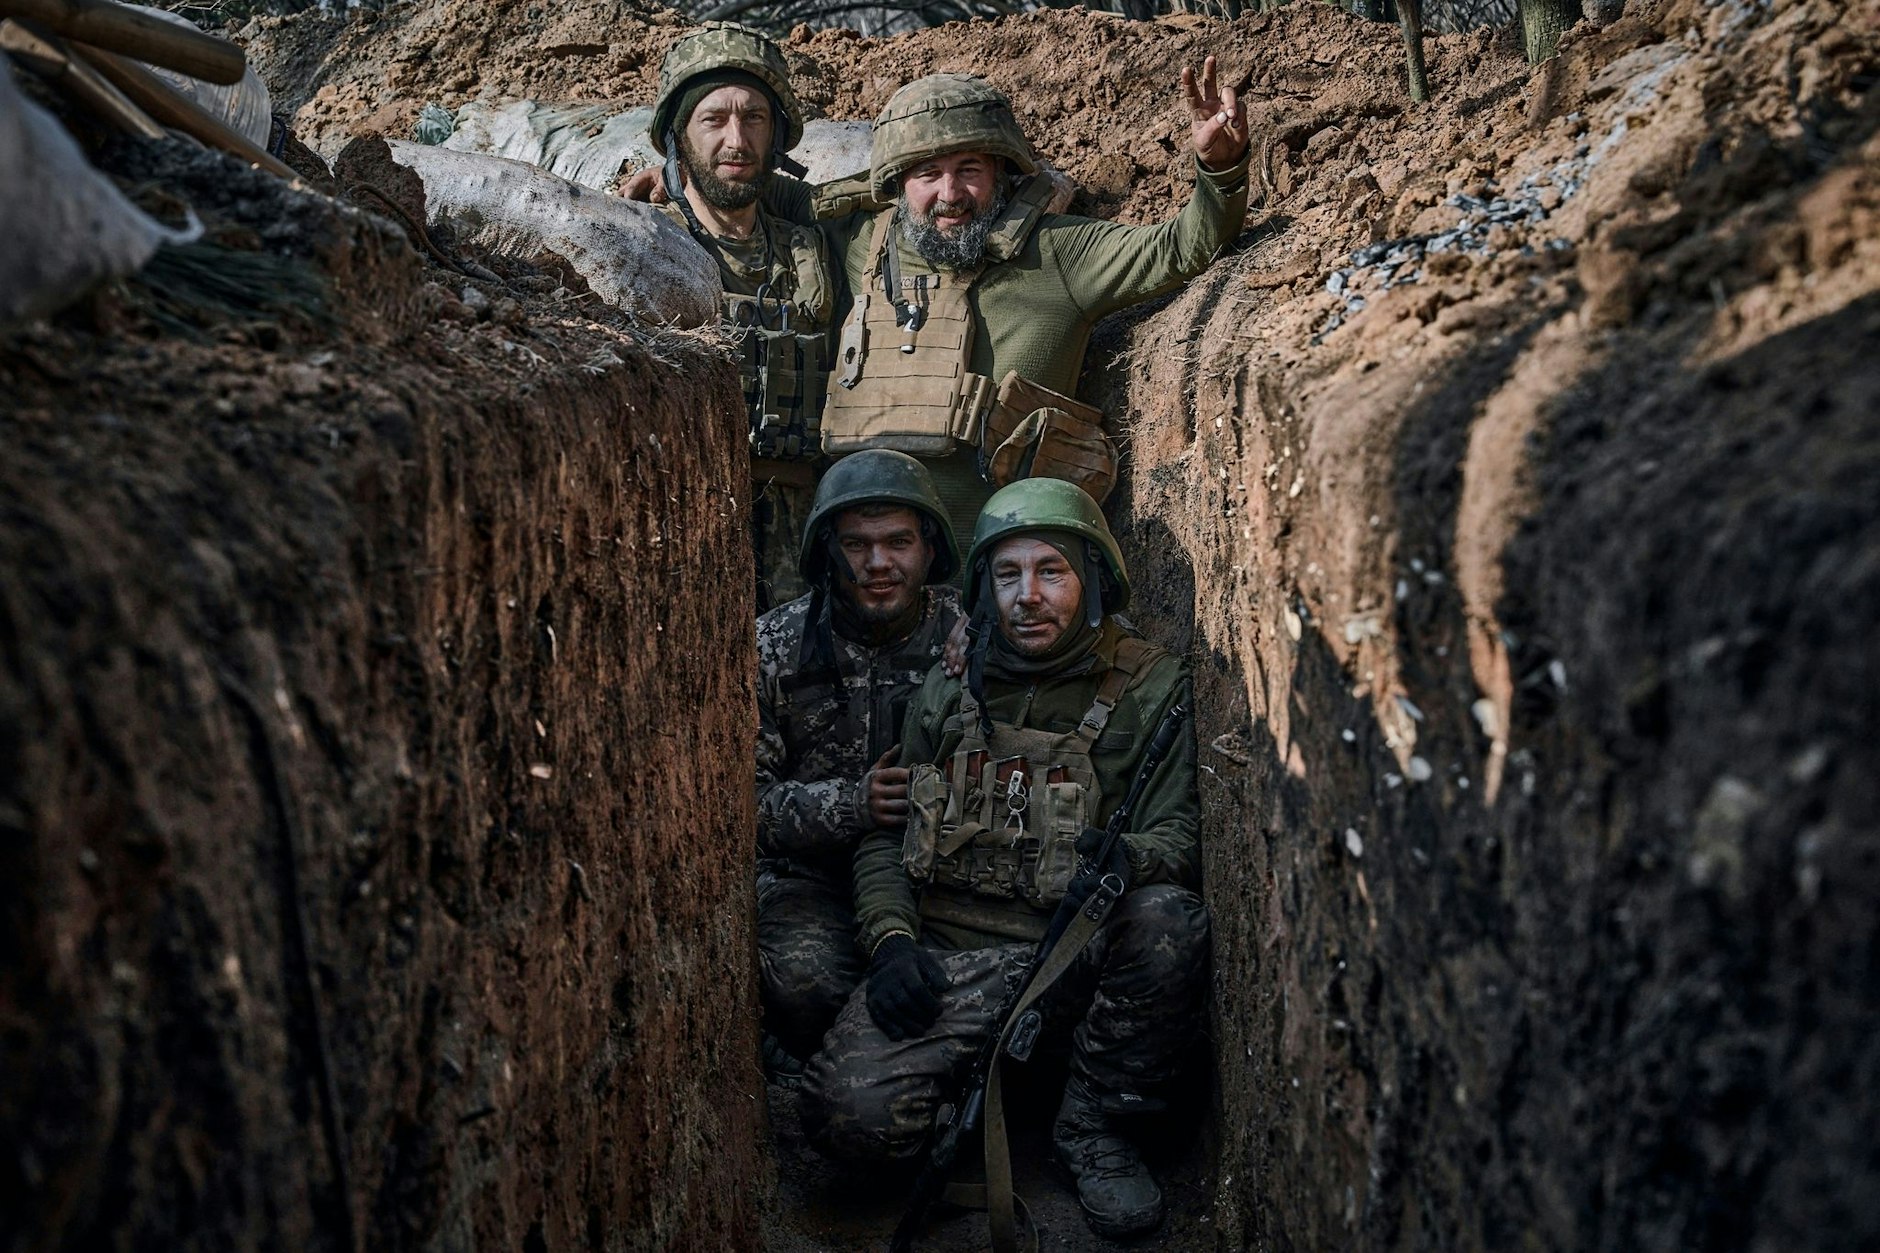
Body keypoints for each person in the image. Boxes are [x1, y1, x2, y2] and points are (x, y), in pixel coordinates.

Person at [800, 478, 1206, 1241]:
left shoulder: (1153, 686)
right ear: (984, 587)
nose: (1028, 595)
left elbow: (1178, 839)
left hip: (1078, 958)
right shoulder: (947, 685)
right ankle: (972, 1091)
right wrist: (891, 944)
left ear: (1091, 580)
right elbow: (889, 833)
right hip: (957, 956)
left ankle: (1093, 1126)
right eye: (1008, 574)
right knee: (847, 1122)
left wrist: (1122, 856)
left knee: (1167, 921)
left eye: (1051, 571)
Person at [811, 59, 1251, 553]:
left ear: (1002, 171)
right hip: (874, 580)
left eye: (969, 170)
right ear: (897, 184)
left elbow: (1180, 248)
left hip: (1005, 581)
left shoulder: (1057, 252)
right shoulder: (862, 246)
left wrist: (1219, 169)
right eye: (928, 173)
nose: (950, 194)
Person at [755, 450, 964, 1067]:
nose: (878, 563)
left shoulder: (972, 629)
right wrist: (851, 806)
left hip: (943, 874)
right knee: (807, 985)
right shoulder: (772, 648)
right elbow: (739, 805)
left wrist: (987, 635)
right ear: (827, 551)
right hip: (811, 880)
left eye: (898, 541)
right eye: (856, 544)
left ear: (929, 547)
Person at [648, 21, 834, 609]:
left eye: (754, 118)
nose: (737, 139)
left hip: (805, 533)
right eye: (714, 119)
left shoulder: (814, 247)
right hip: (690, 520)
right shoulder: (649, 246)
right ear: (679, 136)